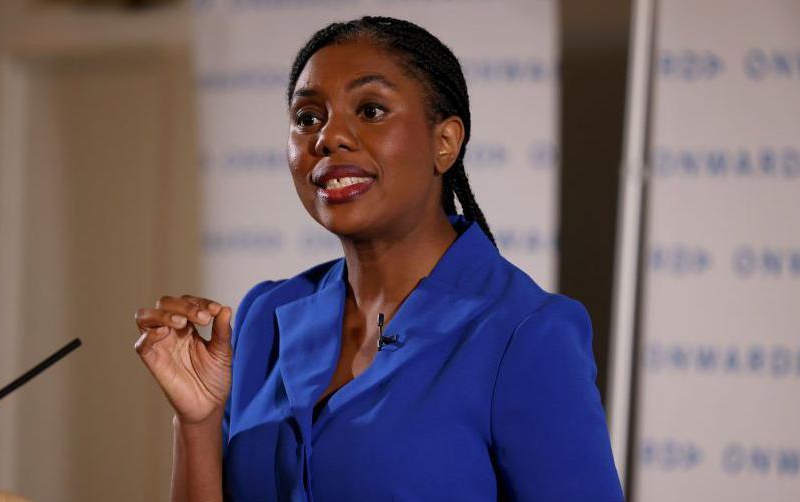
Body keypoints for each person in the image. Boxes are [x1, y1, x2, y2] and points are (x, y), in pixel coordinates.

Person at [134, 16, 623, 502]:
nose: (327, 137)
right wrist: (197, 423)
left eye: (370, 110)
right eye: (307, 118)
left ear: (445, 142)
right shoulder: (264, 317)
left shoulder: (526, 333)